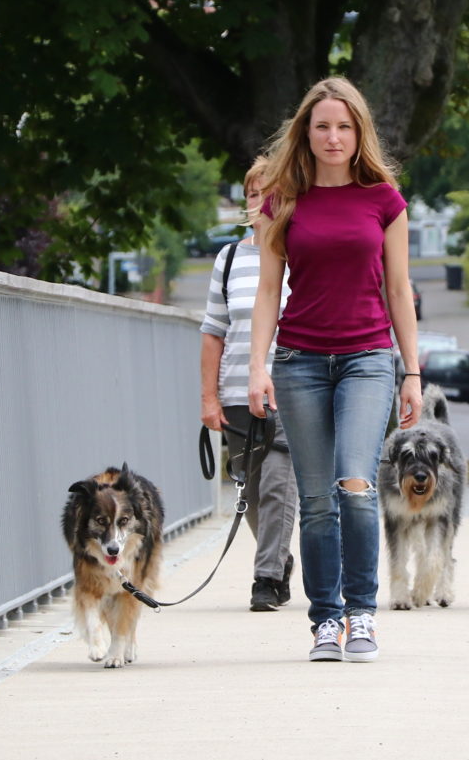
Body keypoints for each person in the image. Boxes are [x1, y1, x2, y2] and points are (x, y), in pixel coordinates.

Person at [247, 77, 422, 662]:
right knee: (317, 498)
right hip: (298, 362)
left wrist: (412, 372)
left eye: (343, 126)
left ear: (358, 132)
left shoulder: (384, 199)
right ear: (306, 131)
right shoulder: (282, 201)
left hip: (368, 360)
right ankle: (326, 620)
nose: (332, 136)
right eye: (322, 125)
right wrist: (256, 368)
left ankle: (363, 614)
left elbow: (399, 289)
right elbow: (269, 291)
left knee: (356, 482)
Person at [200, 158, 297, 612]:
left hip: (291, 392)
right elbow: (212, 332)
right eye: (255, 193)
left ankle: (265, 579)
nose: (263, 202)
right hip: (238, 393)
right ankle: (278, 558)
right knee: (252, 493)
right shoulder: (230, 258)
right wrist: (208, 397)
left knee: (279, 483)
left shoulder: (301, 252)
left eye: (272, 193)